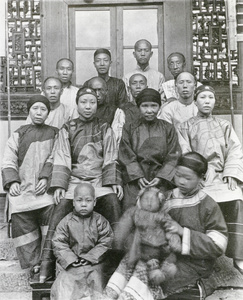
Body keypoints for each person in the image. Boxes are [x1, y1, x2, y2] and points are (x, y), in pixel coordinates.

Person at [106, 152, 228, 299]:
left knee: (153, 275)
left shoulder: (208, 205)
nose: (181, 181)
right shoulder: (166, 197)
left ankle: (132, 295)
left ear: (202, 177)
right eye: (178, 175)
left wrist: (183, 231)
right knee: (133, 264)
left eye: (188, 178)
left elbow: (219, 244)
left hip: (190, 262)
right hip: (161, 254)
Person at [39, 87, 123, 282]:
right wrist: (60, 184)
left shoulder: (104, 127)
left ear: (97, 104)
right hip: (75, 180)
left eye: (92, 102)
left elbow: (111, 155)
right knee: (59, 210)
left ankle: (117, 266)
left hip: (99, 180)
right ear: (77, 104)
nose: (88, 106)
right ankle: (46, 266)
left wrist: (113, 181)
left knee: (113, 202)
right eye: (83, 102)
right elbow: (62, 156)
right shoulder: (68, 128)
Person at [177, 85, 243, 274]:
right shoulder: (185, 126)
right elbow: (185, 153)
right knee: (196, 201)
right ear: (195, 101)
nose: (207, 101)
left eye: (210, 97)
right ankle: (200, 253)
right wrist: (197, 175)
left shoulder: (224, 125)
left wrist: (231, 173)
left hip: (222, 176)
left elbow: (235, 150)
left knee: (237, 197)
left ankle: (239, 255)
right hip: (199, 176)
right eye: (203, 97)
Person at [1, 95, 58, 280]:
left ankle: (46, 260)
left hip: (44, 189)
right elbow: (8, 159)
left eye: (43, 109)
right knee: (19, 211)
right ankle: (33, 264)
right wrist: (13, 181)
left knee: (51, 209)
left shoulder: (56, 133)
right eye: (35, 108)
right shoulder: (19, 133)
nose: (39, 112)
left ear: (48, 112)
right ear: (29, 110)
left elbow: (56, 158)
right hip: (24, 189)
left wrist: (45, 178)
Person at [105, 187, 181, 299]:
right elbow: (123, 226)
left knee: (143, 273)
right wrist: (118, 239)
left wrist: (174, 241)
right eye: (146, 199)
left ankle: (132, 295)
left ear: (160, 202)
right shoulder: (134, 212)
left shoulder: (162, 216)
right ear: (139, 200)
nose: (149, 202)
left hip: (154, 254)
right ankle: (112, 293)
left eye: (153, 200)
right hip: (136, 250)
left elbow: (171, 228)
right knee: (124, 270)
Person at [118, 88, 181, 211]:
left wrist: (161, 177)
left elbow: (173, 155)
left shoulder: (168, 128)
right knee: (131, 209)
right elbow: (126, 154)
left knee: (164, 208)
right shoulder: (129, 128)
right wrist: (138, 176)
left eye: (154, 106)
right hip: (135, 178)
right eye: (144, 106)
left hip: (162, 178)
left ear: (159, 107)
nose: (149, 110)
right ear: (138, 107)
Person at [50, 183, 113, 300]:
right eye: (79, 200)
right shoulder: (66, 222)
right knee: (65, 284)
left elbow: (106, 241)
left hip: (94, 264)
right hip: (71, 265)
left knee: (98, 284)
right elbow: (59, 243)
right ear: (73, 202)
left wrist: (89, 257)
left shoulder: (100, 221)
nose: (83, 204)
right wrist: (71, 259)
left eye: (88, 200)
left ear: (94, 202)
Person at [111, 73, 146, 145]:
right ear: (129, 88)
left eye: (141, 83)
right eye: (134, 83)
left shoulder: (153, 108)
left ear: (146, 87)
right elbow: (117, 136)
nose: (138, 86)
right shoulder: (122, 110)